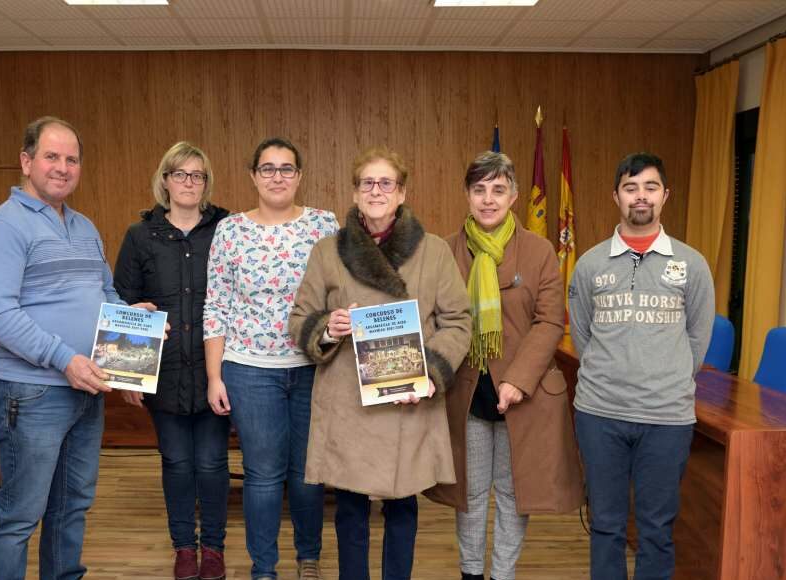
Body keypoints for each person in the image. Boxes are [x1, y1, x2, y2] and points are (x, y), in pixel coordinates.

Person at [0, 116, 157, 579]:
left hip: (85, 387)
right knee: (19, 514)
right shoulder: (1, 228)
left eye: (72, 159)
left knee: (72, 504)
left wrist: (132, 325)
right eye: (51, 156)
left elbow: (104, 294)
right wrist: (63, 358)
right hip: (30, 393)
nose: (63, 167)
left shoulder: (83, 226)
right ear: (26, 161)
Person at [289, 146, 471, 580]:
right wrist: (328, 327)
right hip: (348, 399)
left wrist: (430, 375)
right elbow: (300, 318)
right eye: (367, 183)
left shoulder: (433, 251)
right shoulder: (327, 251)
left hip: (409, 395)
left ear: (402, 193)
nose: (376, 191)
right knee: (350, 507)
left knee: (402, 505)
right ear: (354, 193)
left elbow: (458, 321)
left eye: (386, 183)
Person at [425, 151, 584, 580]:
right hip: (467, 390)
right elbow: (434, 318)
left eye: (498, 190)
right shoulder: (444, 250)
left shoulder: (539, 250)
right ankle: (470, 573)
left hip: (522, 393)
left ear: (514, 196)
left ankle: (503, 574)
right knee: (471, 493)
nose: (488, 199)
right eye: (479, 190)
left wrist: (517, 380)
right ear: (467, 194)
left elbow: (549, 321)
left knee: (514, 494)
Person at [568, 153, 714, 580]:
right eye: (630, 188)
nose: (641, 196)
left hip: (666, 418)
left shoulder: (692, 264)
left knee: (656, 530)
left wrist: (664, 378)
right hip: (600, 415)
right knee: (606, 526)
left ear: (665, 195)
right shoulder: (590, 264)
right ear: (616, 196)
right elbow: (582, 336)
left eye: (650, 187)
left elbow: (697, 340)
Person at [203, 137, 338, 580]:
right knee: (262, 475)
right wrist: (214, 377)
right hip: (249, 371)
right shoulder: (231, 230)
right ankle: (264, 568)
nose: (277, 177)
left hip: (312, 367)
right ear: (253, 176)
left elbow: (340, 292)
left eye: (286, 169)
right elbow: (216, 306)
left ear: (299, 176)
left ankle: (308, 558)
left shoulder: (324, 224)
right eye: (267, 168)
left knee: (306, 473)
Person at [114, 142, 230, 580]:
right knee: (177, 464)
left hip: (216, 371)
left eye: (197, 175)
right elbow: (123, 303)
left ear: (206, 183)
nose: (188, 182)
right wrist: (128, 375)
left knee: (213, 464)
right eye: (179, 174)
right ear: (165, 180)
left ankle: (213, 549)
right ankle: (184, 548)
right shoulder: (140, 236)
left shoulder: (226, 230)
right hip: (163, 374)